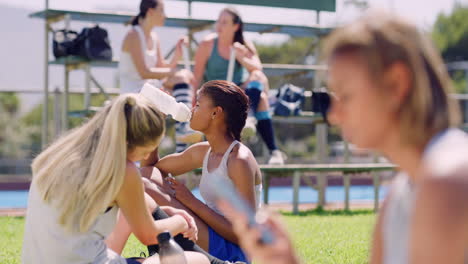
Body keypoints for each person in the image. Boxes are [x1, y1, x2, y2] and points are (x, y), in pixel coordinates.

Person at [219, 9, 468, 264]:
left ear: (396, 84)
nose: (334, 114)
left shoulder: (446, 184)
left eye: (345, 96)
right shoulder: (402, 191)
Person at [22, 94, 209, 264]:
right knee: (199, 261)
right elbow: (149, 235)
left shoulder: (59, 153)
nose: (138, 161)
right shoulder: (123, 170)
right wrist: (181, 221)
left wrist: (158, 213)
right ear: (129, 143)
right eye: (143, 153)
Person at [139, 80, 262, 263]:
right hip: (210, 235)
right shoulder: (205, 151)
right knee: (145, 179)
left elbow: (246, 234)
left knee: (144, 187)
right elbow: (151, 168)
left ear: (215, 112)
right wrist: (157, 120)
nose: (191, 109)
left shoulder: (238, 160)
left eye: (197, 104)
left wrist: (191, 202)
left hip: (234, 251)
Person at [192, 7, 285, 165]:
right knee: (261, 99)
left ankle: (272, 149)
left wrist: (241, 57)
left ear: (236, 26)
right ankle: (272, 148)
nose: (219, 25)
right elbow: (196, 77)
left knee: (258, 80)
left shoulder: (244, 44)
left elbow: (257, 69)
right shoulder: (207, 44)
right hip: (214, 96)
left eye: (225, 22)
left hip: (238, 95)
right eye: (219, 21)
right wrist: (193, 103)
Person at [119, 0, 202, 152]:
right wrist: (174, 72)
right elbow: (143, 72)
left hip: (149, 89)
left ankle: (182, 137)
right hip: (134, 94)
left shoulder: (154, 36)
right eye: (162, 11)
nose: (165, 15)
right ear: (150, 12)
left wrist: (178, 50)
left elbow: (162, 67)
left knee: (184, 77)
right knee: (182, 77)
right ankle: (183, 136)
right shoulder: (133, 35)